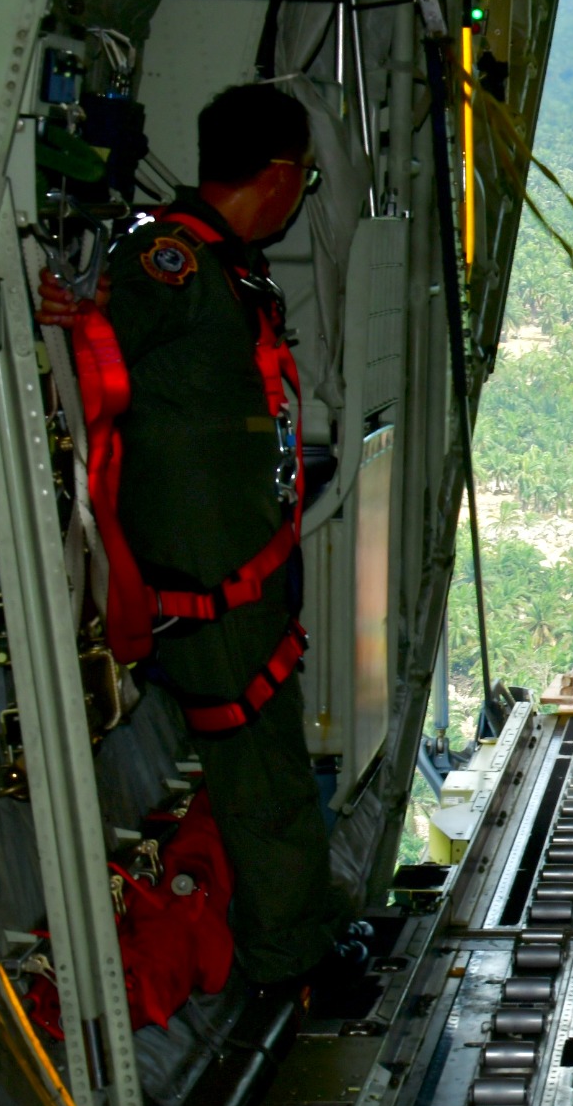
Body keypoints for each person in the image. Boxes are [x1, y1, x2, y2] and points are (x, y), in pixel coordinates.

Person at [46, 83, 348, 987]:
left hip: (242, 567)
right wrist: (73, 309)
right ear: (283, 174)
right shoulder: (170, 261)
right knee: (264, 775)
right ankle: (290, 959)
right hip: (205, 579)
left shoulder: (220, 265)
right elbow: (82, 348)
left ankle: (300, 928)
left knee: (272, 760)